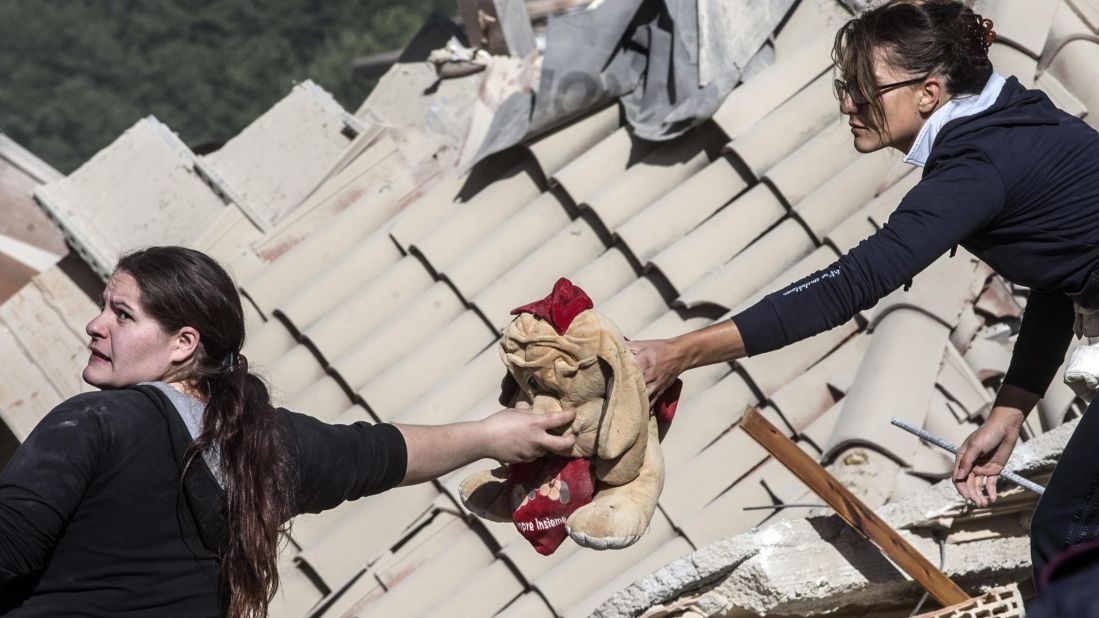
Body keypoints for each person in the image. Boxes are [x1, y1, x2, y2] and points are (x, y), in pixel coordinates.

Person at [628, 0, 1099, 589]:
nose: (848, 104)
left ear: (928, 93)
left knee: (1069, 535)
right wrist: (1013, 406)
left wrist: (683, 351)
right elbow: (1063, 278)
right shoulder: (1009, 118)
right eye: (843, 86)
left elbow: (851, 284)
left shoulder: (975, 165)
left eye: (863, 88)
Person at [0, 246, 576, 617]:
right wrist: (490, 435)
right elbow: (382, 453)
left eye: (121, 315)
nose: (94, 325)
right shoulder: (262, 446)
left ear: (183, 344)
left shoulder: (94, 422)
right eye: (104, 307)